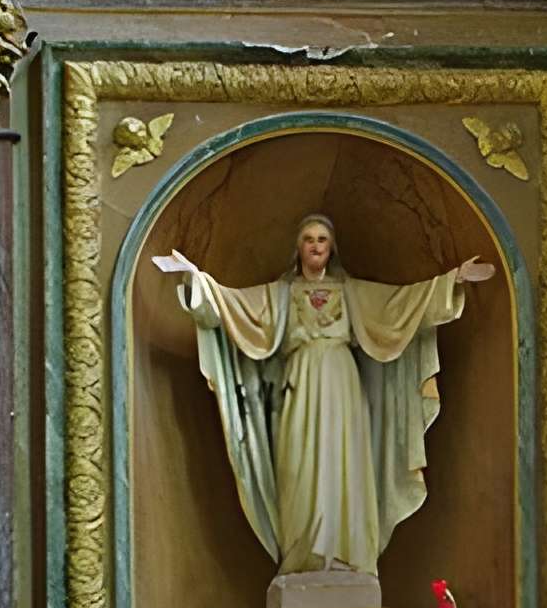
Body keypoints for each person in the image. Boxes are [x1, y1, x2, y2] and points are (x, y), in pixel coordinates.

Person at [155, 213, 492, 584]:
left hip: (342, 383)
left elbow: (402, 304)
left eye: (322, 240)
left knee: (345, 462)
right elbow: (233, 304)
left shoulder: (352, 292)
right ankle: (302, 559)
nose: (315, 246)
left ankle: (349, 555)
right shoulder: (280, 295)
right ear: (298, 247)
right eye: (309, 239)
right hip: (299, 382)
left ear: (331, 248)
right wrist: (197, 280)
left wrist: (452, 281)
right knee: (298, 463)